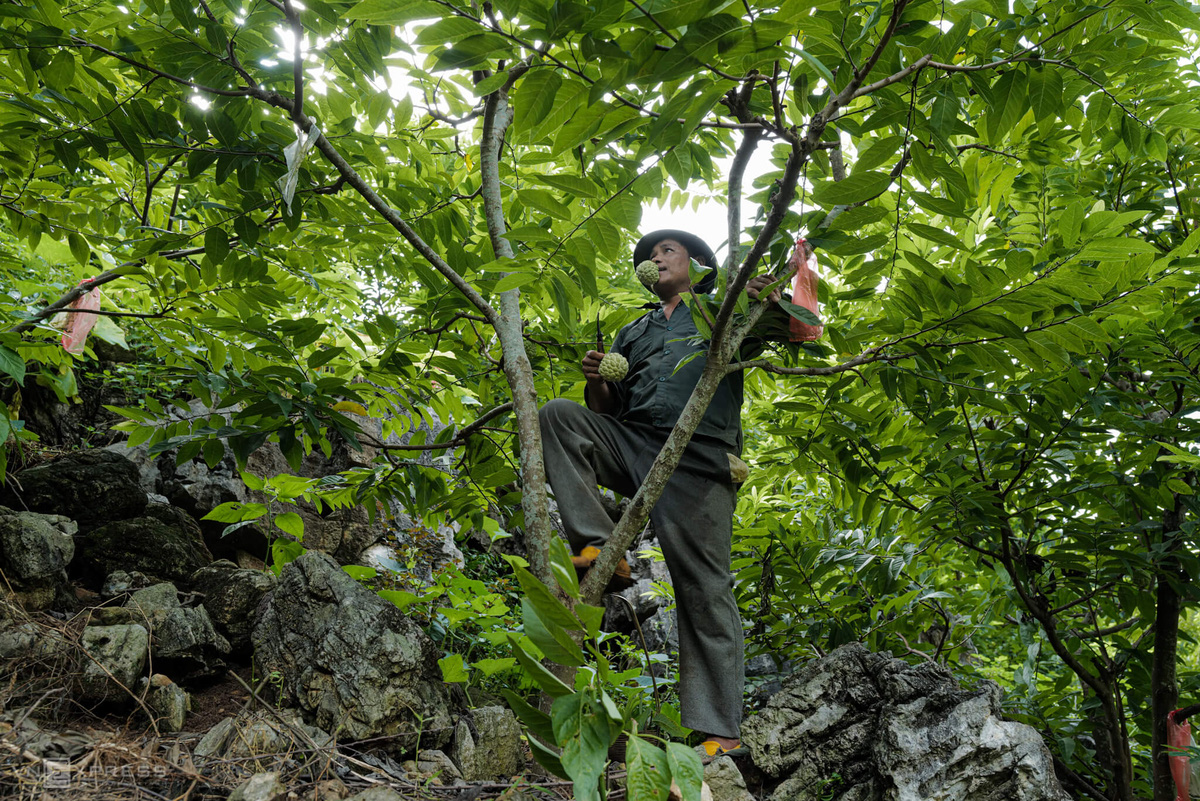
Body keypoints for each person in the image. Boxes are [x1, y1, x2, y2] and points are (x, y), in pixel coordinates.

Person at [538, 229, 782, 757]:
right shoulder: (636, 329)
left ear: (697, 264)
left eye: (666, 251)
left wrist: (767, 299)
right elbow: (604, 412)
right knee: (559, 416)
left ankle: (720, 730)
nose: (654, 258)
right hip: (635, 443)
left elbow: (786, 329)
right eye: (650, 255)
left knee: (705, 588)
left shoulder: (720, 309)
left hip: (700, 458)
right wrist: (598, 377)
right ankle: (601, 545)